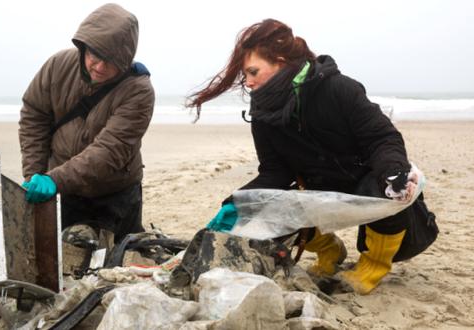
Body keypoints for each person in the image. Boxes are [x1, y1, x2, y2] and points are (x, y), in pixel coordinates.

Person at [187, 19, 436, 294]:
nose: (248, 82)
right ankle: (330, 252)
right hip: (316, 187)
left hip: (363, 178)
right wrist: (237, 202)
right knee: (268, 206)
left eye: (253, 72)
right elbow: (274, 172)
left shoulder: (339, 88)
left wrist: (393, 171)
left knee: (385, 186)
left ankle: (372, 267)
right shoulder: (262, 113)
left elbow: (382, 138)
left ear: (279, 61)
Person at [18, 3, 155, 246]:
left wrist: (54, 180)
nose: (100, 67)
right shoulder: (58, 65)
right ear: (83, 47)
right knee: (61, 260)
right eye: (95, 55)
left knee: (121, 261)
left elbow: (110, 150)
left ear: (125, 59)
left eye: (111, 61)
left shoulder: (139, 90)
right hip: (63, 192)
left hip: (115, 195)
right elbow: (34, 116)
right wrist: (35, 174)